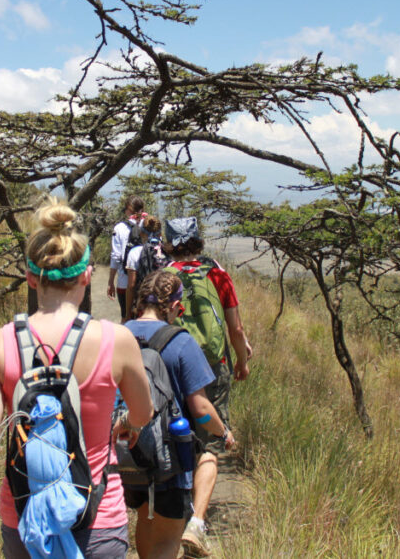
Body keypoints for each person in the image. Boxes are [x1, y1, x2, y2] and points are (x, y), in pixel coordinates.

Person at [0, 198, 153, 559]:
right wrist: (124, 424)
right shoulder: (116, 340)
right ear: (87, 276)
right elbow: (143, 413)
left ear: (29, 276)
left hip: (26, 522)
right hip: (98, 519)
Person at [123, 270, 235, 559]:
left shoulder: (118, 335)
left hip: (127, 453)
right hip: (169, 460)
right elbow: (201, 409)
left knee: (145, 519)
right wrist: (223, 431)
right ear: (172, 306)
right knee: (169, 538)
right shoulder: (181, 342)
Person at [163, 217, 252, 558]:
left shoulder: (163, 276)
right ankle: (197, 522)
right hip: (214, 367)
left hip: (172, 363)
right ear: (198, 240)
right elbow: (237, 329)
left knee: (175, 436)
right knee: (211, 442)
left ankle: (178, 511)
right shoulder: (217, 272)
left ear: (170, 243)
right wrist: (242, 361)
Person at [107, 196, 146, 320]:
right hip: (147, 282)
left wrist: (110, 281)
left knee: (125, 317)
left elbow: (116, 257)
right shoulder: (149, 225)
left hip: (124, 281)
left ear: (129, 210)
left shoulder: (119, 228)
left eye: (125, 209)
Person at [123, 214, 164, 323]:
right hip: (164, 306)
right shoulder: (167, 252)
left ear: (141, 233)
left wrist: (127, 314)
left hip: (143, 307)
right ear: (160, 234)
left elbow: (131, 286)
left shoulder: (135, 253)